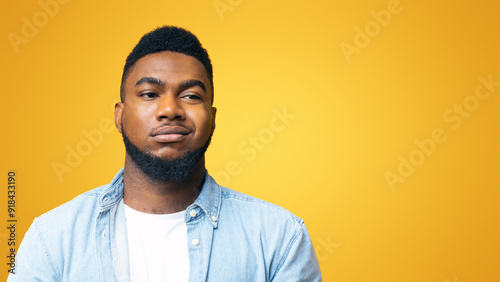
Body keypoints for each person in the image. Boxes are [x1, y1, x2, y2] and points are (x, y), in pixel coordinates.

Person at [8, 26, 322, 281]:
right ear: (119, 116)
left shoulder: (279, 238)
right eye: (149, 94)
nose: (170, 109)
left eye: (190, 95)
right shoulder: (52, 239)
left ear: (211, 117)